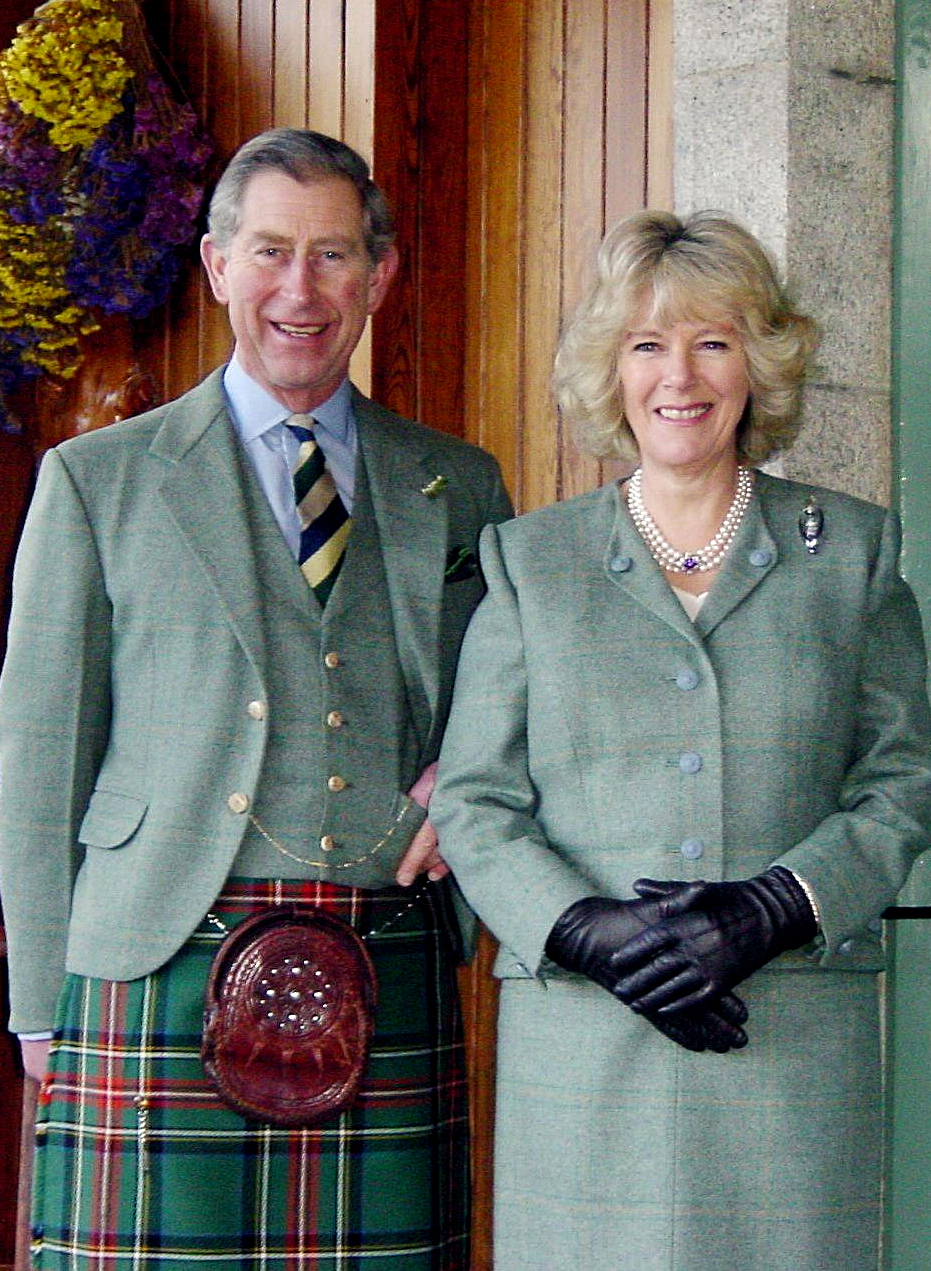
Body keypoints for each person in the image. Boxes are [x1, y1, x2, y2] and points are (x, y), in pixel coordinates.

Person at [0, 127, 512, 1269]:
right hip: (154, 951)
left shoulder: (460, 483)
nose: (300, 288)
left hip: (387, 955)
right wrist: (39, 998)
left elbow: (508, 697)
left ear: (378, 277)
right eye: (271, 251)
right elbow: (40, 755)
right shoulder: (97, 479)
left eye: (333, 256)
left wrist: (470, 763)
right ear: (217, 263)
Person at [429, 209, 931, 1270]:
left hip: (792, 1055)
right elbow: (474, 799)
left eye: (715, 339)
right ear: (610, 372)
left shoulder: (850, 549)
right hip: (587, 1057)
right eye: (647, 343)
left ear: (761, 361)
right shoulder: (530, 560)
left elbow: (902, 777)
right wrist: (580, 929)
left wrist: (777, 904)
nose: (681, 375)